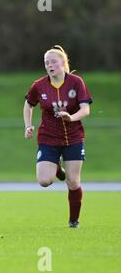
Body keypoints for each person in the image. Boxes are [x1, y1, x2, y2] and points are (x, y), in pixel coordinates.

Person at [23, 45, 92, 228]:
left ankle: (73, 221)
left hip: (74, 137)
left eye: (53, 61)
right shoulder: (39, 85)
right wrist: (28, 125)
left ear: (63, 63)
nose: (50, 65)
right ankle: (56, 169)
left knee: (73, 181)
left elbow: (85, 109)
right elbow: (28, 104)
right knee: (44, 181)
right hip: (48, 138)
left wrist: (72, 117)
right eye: (47, 63)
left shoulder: (76, 82)